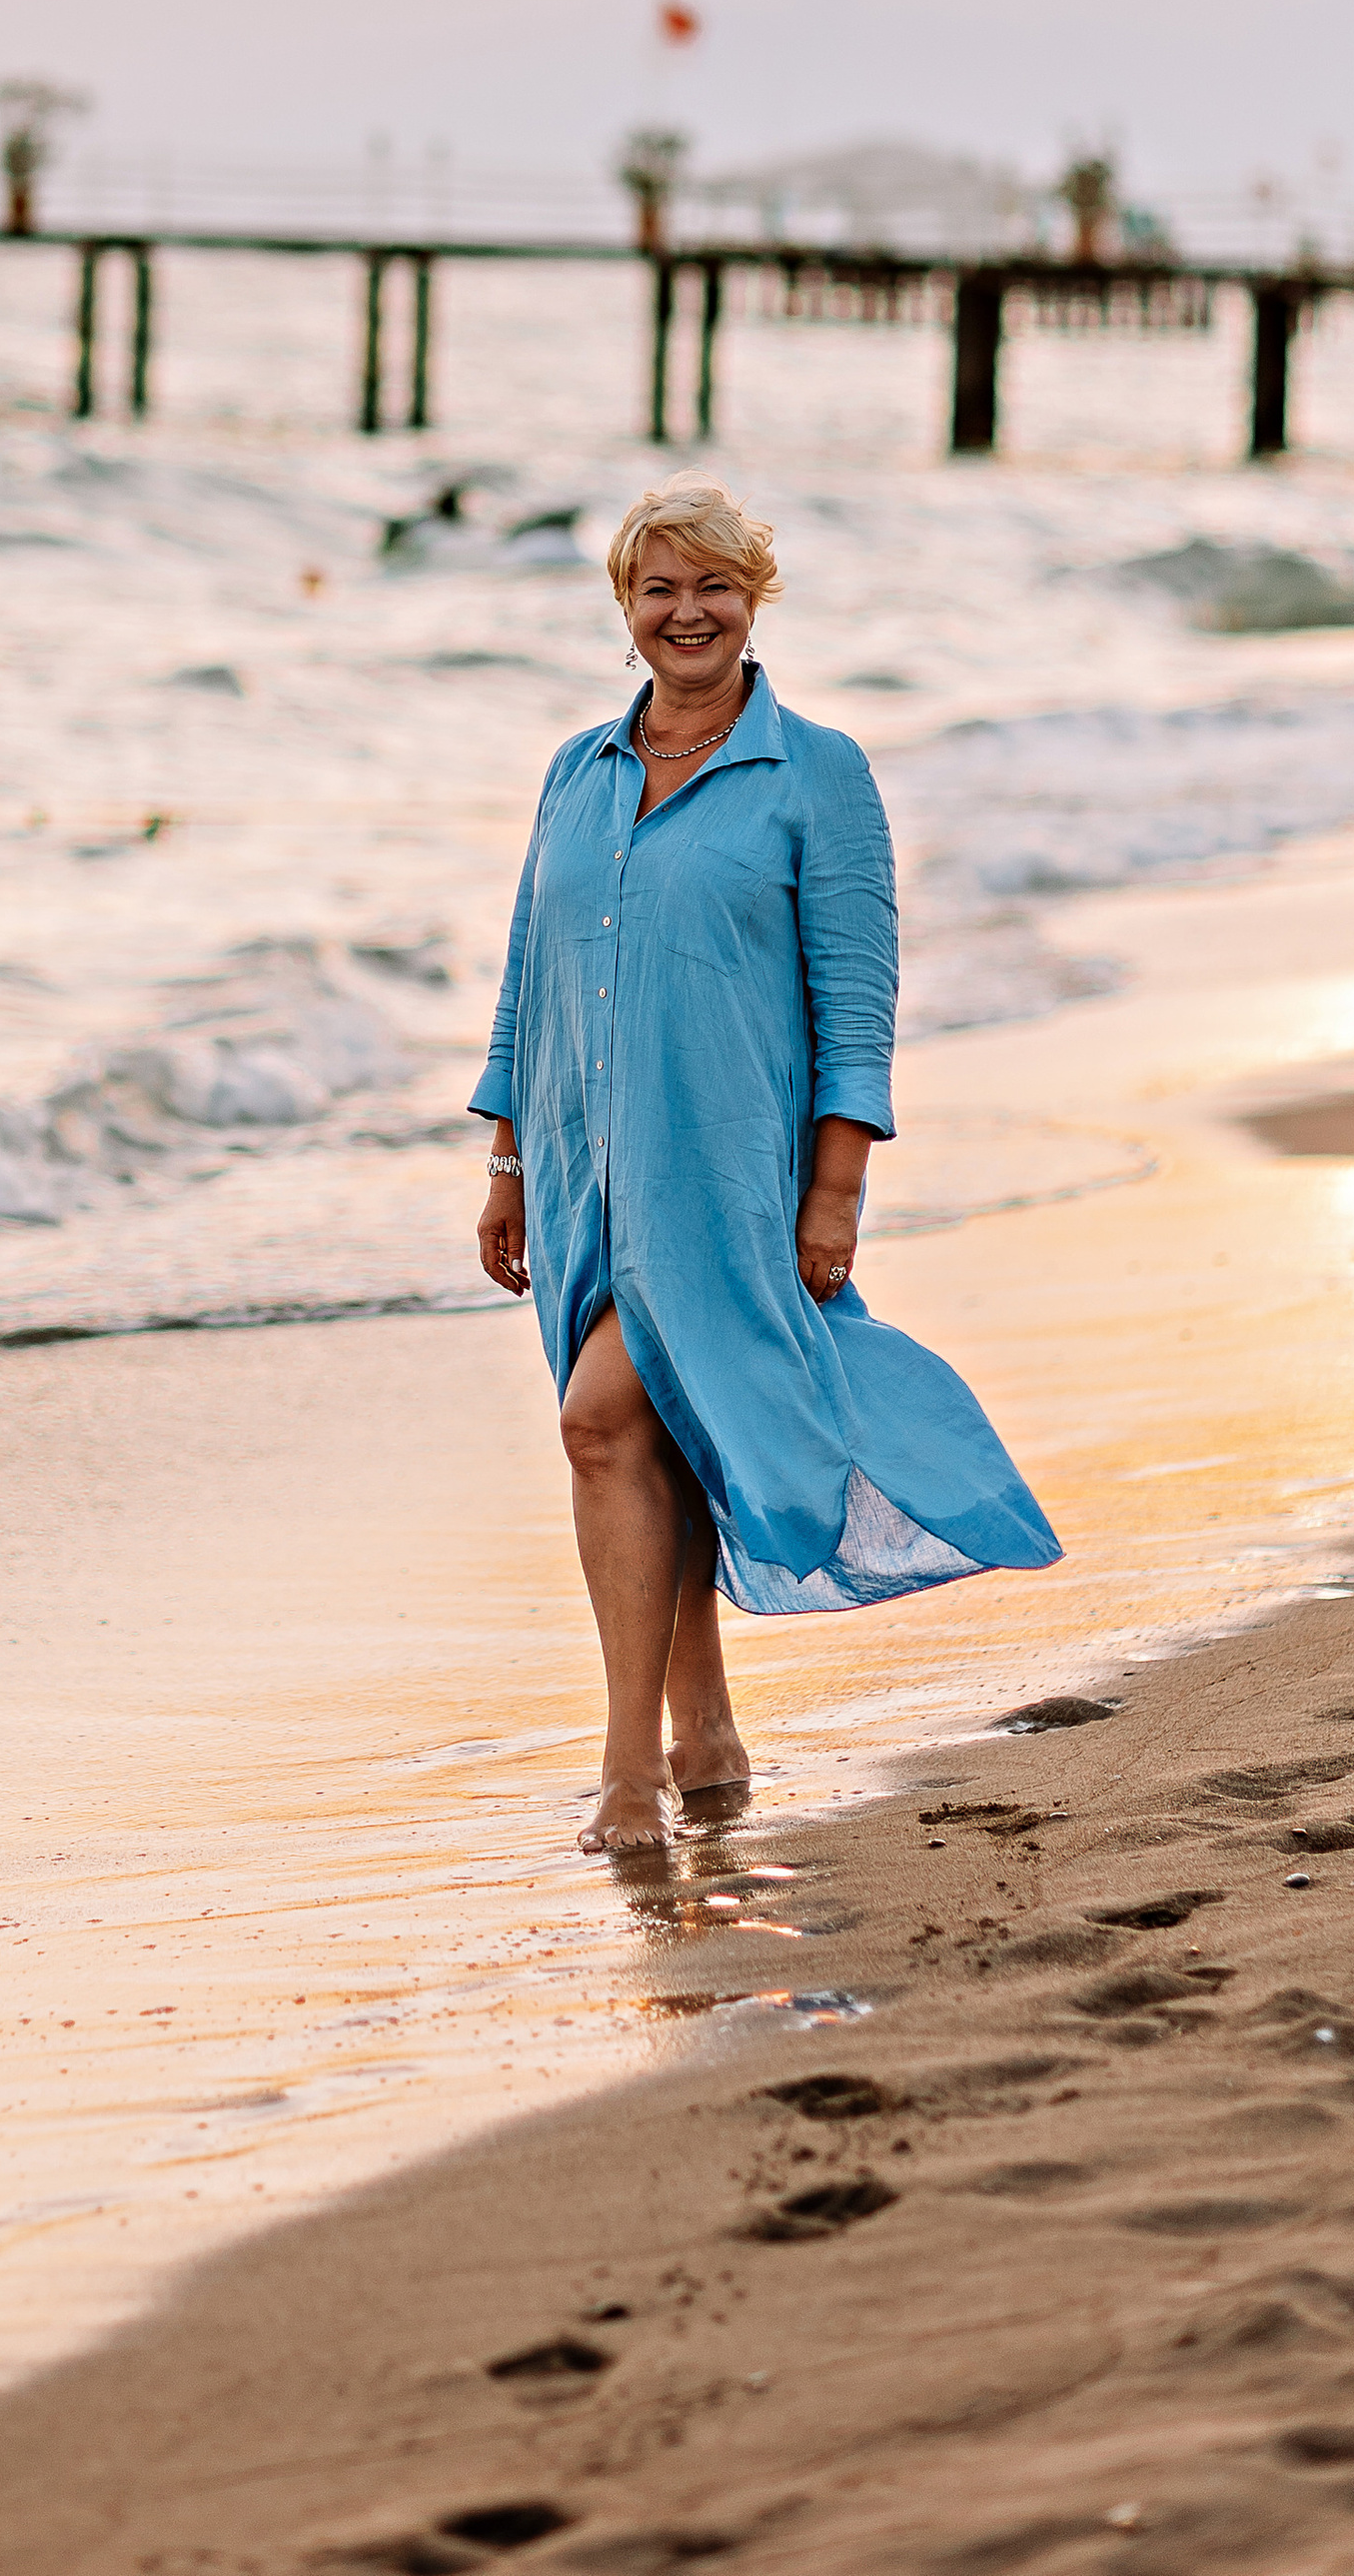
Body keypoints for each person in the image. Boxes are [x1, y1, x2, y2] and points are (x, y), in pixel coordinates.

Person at [474, 477, 1059, 1855]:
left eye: (715, 587)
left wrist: (835, 1189)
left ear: (756, 601)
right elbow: (526, 976)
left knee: (601, 1421)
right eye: (660, 589)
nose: (689, 612)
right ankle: (708, 1730)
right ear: (626, 610)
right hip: (579, 1166)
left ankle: (627, 1773)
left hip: (726, 1176)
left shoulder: (821, 773)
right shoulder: (578, 770)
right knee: (652, 1433)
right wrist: (506, 1156)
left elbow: (856, 994)